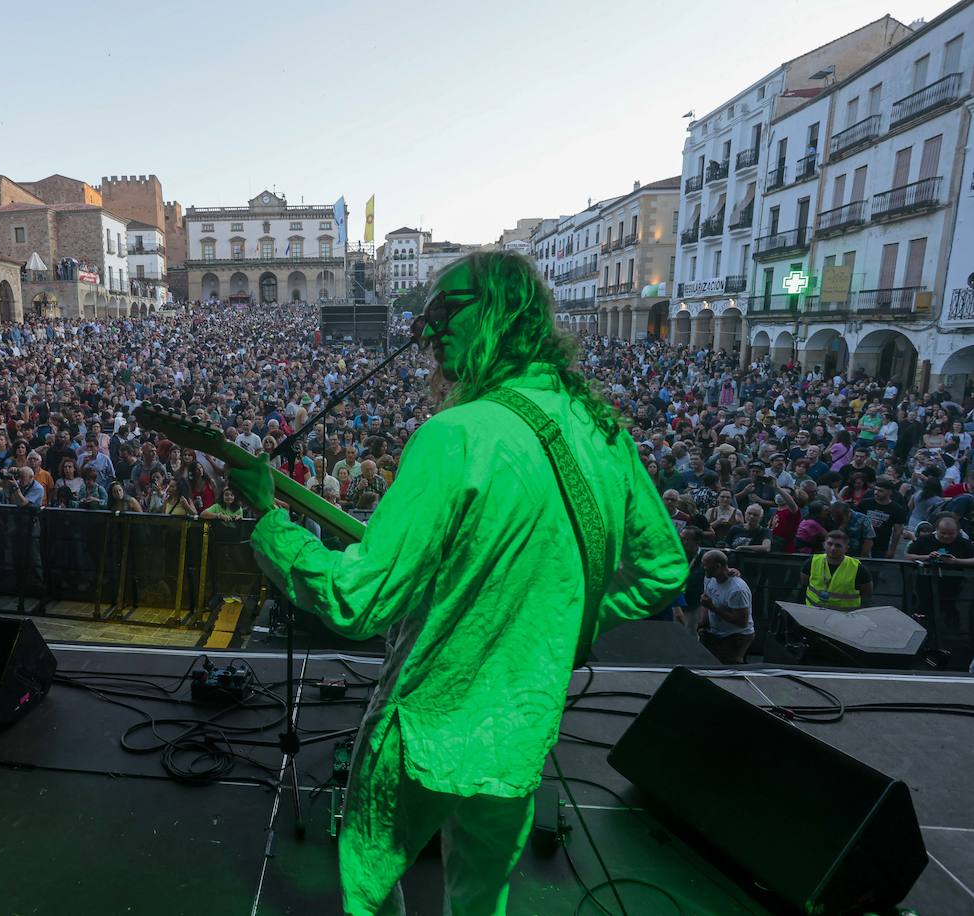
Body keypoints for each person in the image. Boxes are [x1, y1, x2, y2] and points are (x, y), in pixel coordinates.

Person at [227, 252, 687, 916]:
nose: (427, 328)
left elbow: (356, 600)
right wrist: (569, 624)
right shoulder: (601, 430)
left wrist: (271, 523)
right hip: (522, 724)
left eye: (444, 311)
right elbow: (664, 569)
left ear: (498, 312)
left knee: (369, 885)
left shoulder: (456, 435)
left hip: (427, 724)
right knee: (481, 896)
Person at [697, 549, 754, 664]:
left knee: (727, 666)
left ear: (717, 566)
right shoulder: (709, 577)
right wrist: (702, 625)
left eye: (706, 565)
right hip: (717, 633)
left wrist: (713, 608)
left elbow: (741, 622)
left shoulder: (737, 589)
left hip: (737, 635)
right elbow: (706, 600)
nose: (703, 568)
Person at [800, 530, 873, 610]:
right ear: (824, 545)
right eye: (829, 544)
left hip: (844, 615)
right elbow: (804, 582)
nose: (833, 548)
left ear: (846, 548)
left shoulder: (858, 568)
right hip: (813, 612)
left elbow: (867, 592)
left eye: (838, 545)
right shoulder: (812, 562)